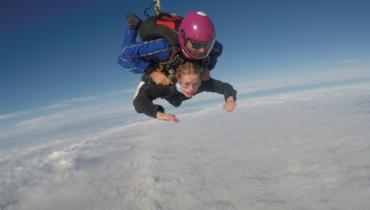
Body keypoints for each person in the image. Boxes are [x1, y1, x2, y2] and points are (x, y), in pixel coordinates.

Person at [118, 11, 223, 85]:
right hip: (148, 27)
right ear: (184, 38)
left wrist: (207, 67)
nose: (202, 50)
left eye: (207, 45)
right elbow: (124, 56)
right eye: (196, 45)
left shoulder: (210, 45)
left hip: (180, 31)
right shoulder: (164, 47)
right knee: (131, 57)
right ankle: (133, 25)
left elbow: (218, 49)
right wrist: (151, 72)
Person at [133, 62, 237, 122]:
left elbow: (225, 87)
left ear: (200, 80)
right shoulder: (165, 86)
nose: (191, 88)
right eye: (186, 84)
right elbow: (138, 102)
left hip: (177, 97)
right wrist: (159, 114)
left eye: (195, 84)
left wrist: (230, 100)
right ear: (179, 80)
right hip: (168, 91)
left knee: (177, 102)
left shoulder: (202, 83)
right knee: (140, 108)